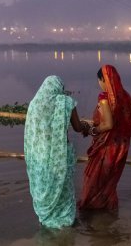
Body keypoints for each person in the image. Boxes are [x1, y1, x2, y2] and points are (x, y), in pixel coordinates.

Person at [24, 75, 89, 229]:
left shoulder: (34, 104)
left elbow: (30, 133)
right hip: (60, 155)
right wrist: (86, 126)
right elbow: (78, 127)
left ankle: (47, 218)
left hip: (40, 157)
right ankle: (65, 221)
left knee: (45, 185)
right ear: (59, 88)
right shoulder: (65, 102)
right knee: (63, 187)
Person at [78, 65, 131, 210]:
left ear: (104, 79)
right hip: (122, 147)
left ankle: (92, 211)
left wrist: (93, 130)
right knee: (109, 182)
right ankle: (108, 212)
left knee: (94, 180)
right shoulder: (126, 97)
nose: (100, 84)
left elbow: (108, 124)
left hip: (107, 147)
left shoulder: (104, 98)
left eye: (100, 80)